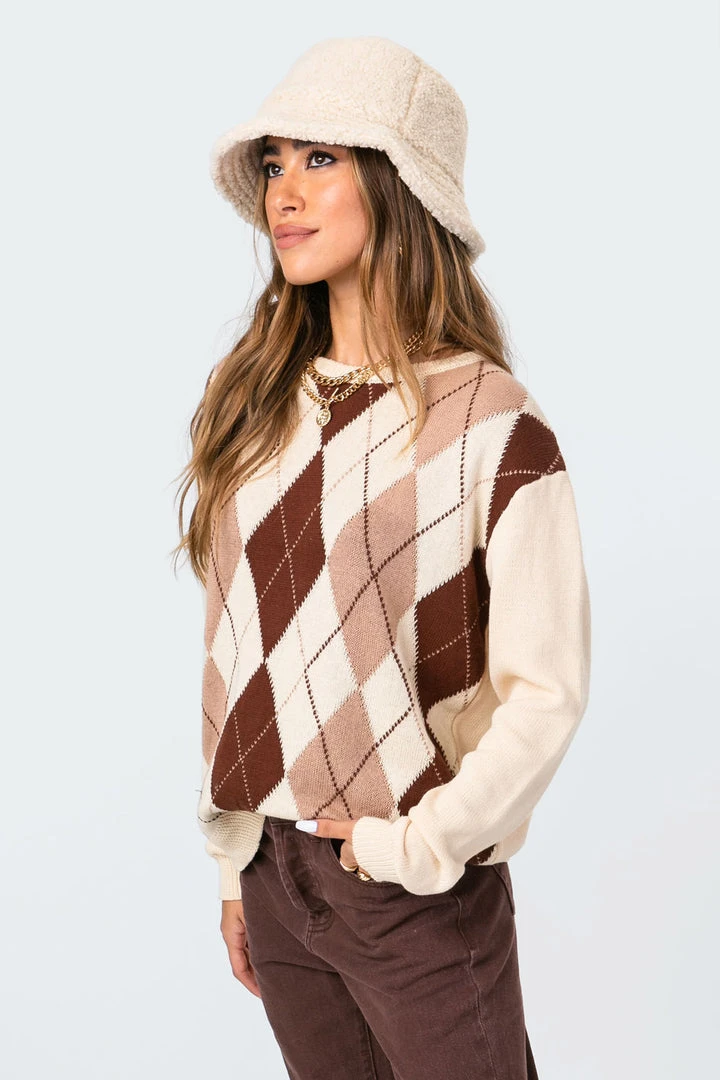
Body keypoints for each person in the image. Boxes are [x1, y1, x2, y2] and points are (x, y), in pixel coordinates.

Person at [175, 35, 591, 1080]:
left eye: (322, 159)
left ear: (401, 183)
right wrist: (236, 863)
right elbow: (236, 644)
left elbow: (547, 692)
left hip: (411, 887)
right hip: (275, 879)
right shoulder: (255, 405)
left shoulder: (493, 427)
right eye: (275, 163)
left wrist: (424, 843)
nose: (284, 192)